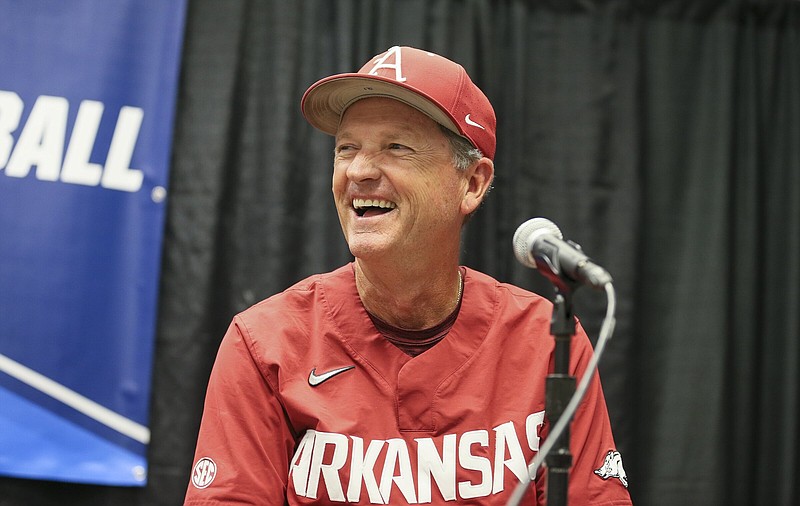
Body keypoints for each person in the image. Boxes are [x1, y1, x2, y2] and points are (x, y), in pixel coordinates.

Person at [184, 46, 631, 505]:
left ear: (472, 183)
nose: (359, 170)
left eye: (397, 147)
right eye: (346, 148)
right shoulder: (266, 343)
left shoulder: (546, 341)